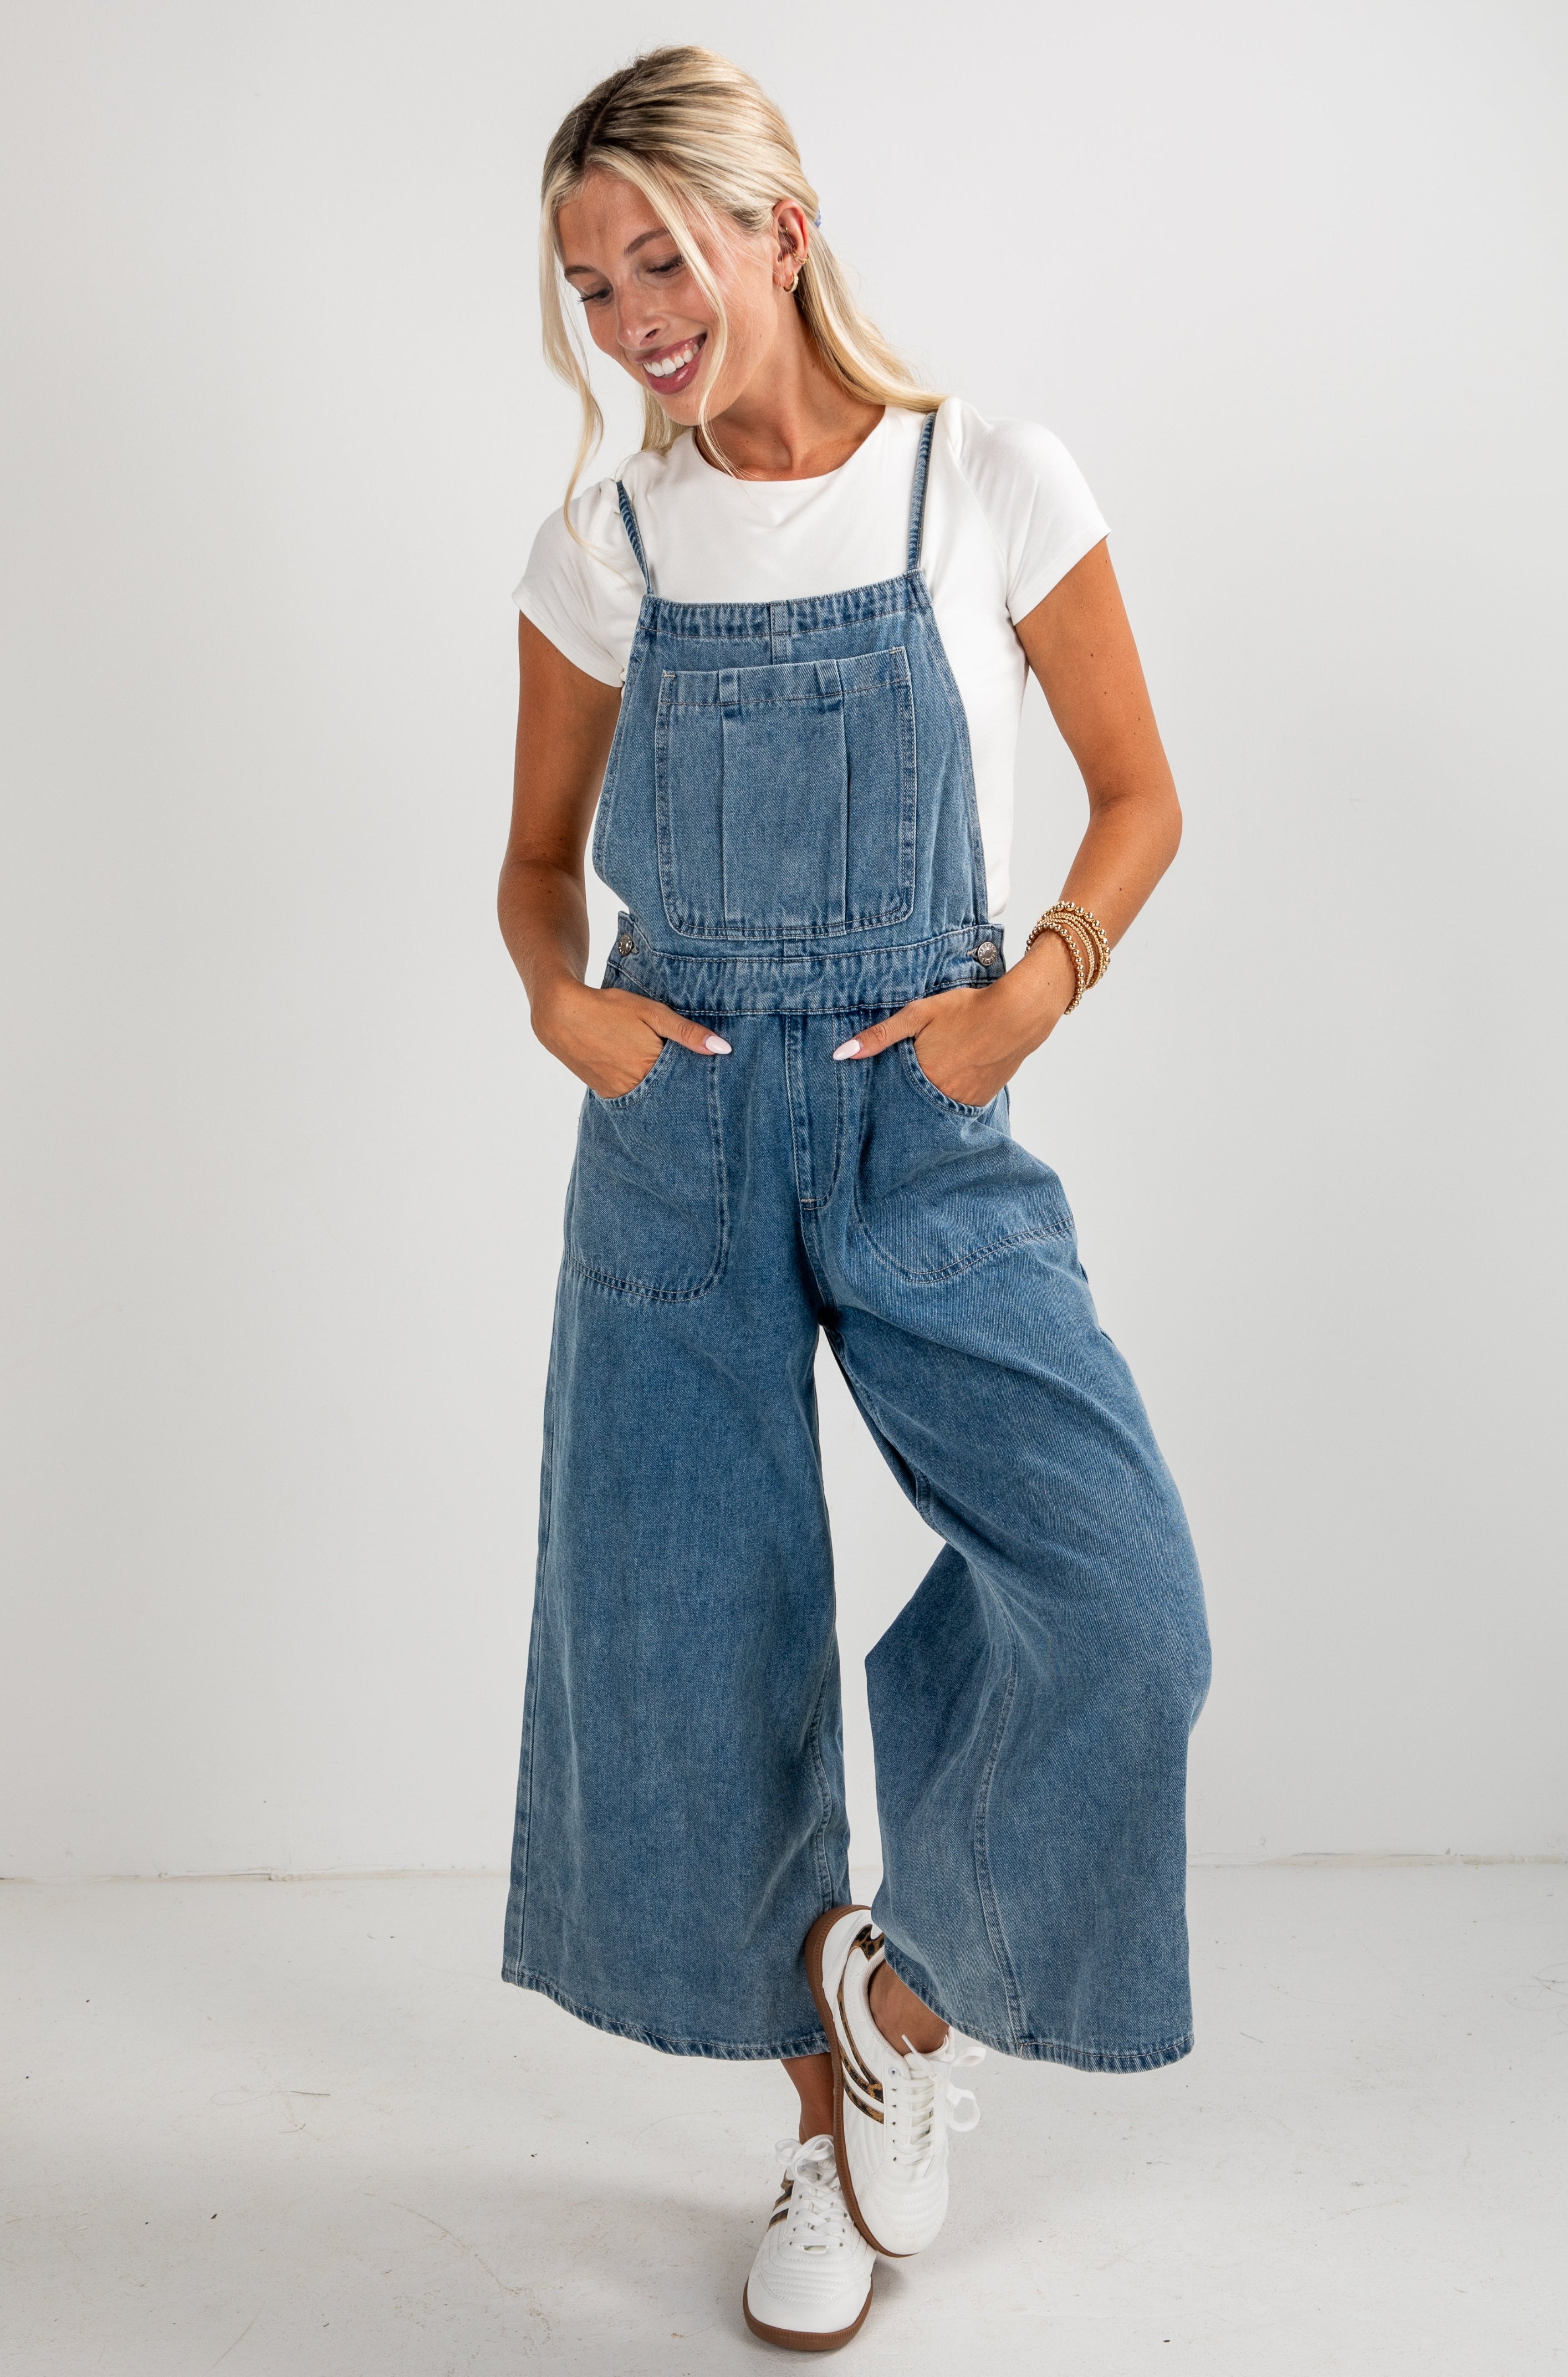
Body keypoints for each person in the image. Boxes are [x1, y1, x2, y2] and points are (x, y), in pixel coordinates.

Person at [497, 45, 1211, 2353]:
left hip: (933, 1109)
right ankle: (816, 2130)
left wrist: (1035, 990)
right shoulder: (606, 541)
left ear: (775, 229)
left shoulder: (983, 486)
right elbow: (528, 872)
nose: (630, 319)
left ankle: (898, 1999)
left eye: (658, 259)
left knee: (1123, 1605)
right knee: (693, 1658)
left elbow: (1136, 798)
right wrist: (561, 1005)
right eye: (593, 286)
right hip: (676, 1133)